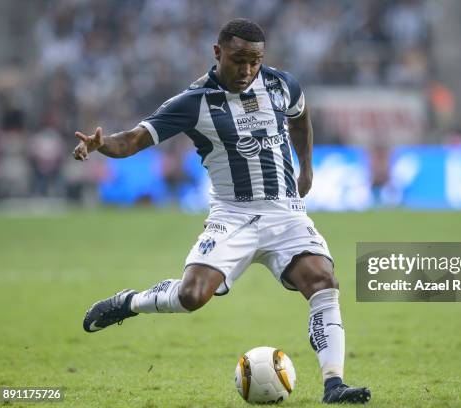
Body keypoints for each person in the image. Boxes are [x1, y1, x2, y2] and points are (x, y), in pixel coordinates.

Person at [74, 18, 371, 404]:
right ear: (217, 53)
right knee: (192, 296)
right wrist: (101, 146)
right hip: (233, 216)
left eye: (255, 61)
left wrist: (307, 167)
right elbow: (132, 140)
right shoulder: (192, 102)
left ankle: (334, 385)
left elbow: (301, 118)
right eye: (238, 60)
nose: (247, 70)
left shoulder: (282, 84)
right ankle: (128, 302)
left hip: (285, 213)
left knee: (323, 282)